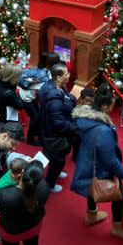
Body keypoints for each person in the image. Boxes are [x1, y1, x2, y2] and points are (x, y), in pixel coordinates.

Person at [71, 84, 123, 238]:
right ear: (104, 107)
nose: (112, 108)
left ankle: (92, 215)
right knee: (120, 194)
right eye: (111, 105)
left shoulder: (84, 117)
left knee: (92, 185)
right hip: (99, 164)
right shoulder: (103, 129)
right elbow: (110, 159)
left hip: (86, 160)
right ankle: (117, 227)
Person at [39, 63, 76, 192]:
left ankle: (56, 172)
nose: (69, 75)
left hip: (50, 131)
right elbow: (59, 123)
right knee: (58, 160)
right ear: (58, 77)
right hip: (55, 136)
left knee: (55, 158)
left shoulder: (54, 85)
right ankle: (50, 183)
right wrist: (74, 128)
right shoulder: (54, 101)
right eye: (66, 74)